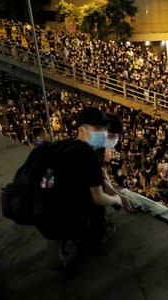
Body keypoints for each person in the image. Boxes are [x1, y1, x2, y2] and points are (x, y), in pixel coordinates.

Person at [46, 107, 131, 268]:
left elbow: (98, 177)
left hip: (46, 204)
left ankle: (59, 241)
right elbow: (98, 195)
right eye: (106, 133)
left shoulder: (67, 145)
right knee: (96, 202)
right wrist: (116, 199)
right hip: (65, 208)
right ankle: (90, 234)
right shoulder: (90, 154)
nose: (109, 138)